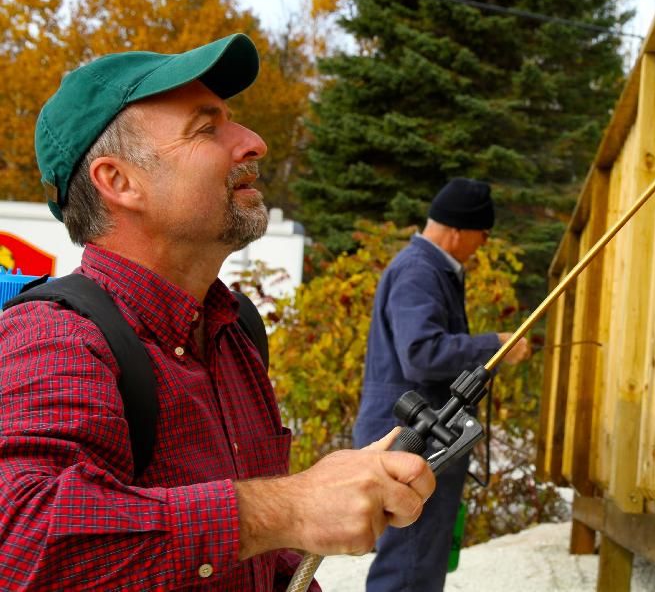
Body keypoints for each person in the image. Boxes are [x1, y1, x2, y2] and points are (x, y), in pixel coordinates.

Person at [0, 34, 435, 591]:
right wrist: (287, 507)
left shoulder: (237, 331)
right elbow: (17, 541)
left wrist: (302, 516)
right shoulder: (53, 337)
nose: (254, 142)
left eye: (234, 122)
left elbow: (264, 563)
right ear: (118, 181)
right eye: (206, 128)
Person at [353, 177, 532, 592]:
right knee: (409, 563)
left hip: (422, 435)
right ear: (458, 230)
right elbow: (420, 352)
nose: (484, 244)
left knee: (420, 556)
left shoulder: (429, 269)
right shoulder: (420, 270)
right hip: (414, 439)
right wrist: (495, 345)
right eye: (483, 234)